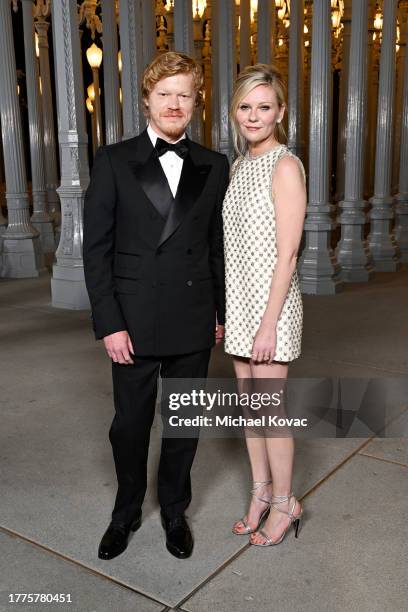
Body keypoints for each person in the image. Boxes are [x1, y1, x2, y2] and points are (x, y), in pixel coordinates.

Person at [83, 51, 229, 560]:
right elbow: (96, 250)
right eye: (164, 93)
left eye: (184, 94)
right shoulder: (114, 160)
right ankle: (124, 511)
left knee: (184, 424)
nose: (174, 103)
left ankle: (173, 509)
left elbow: (215, 245)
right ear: (146, 100)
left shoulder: (214, 164)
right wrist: (110, 323)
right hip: (134, 320)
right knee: (130, 424)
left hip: (192, 316)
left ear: (195, 103)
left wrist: (220, 311)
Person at [222, 64, 306, 547]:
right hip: (240, 304)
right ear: (235, 111)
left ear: (280, 113)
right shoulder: (238, 166)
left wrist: (268, 325)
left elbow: (288, 253)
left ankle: (285, 502)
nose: (254, 116)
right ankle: (260, 491)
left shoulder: (285, 166)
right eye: (246, 107)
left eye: (264, 107)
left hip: (271, 309)